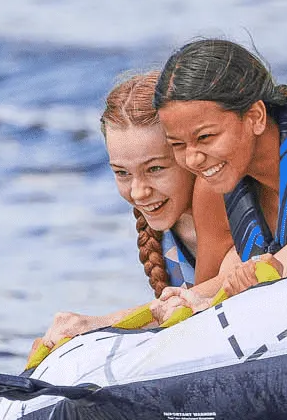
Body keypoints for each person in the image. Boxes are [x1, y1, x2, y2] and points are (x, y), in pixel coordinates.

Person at [147, 39, 287, 309]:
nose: (193, 159)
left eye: (206, 137)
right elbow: (200, 298)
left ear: (255, 117)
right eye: (178, 145)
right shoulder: (213, 188)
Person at [39, 72, 202, 349]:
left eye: (155, 169)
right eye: (122, 173)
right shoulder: (165, 236)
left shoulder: (239, 214)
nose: (138, 191)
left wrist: (97, 325)